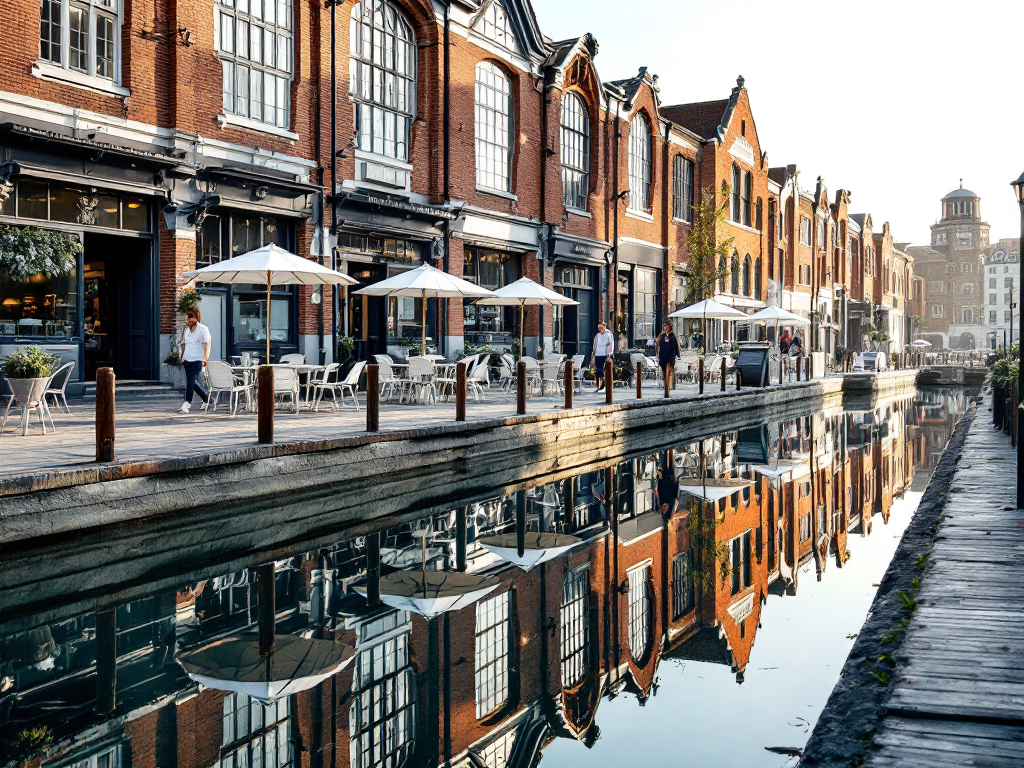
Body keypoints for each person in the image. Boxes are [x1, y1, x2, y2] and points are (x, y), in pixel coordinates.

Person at [178, 307, 211, 414]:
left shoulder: (203, 329)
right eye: (187, 316)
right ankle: (206, 398)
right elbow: (184, 344)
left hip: (197, 359)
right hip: (187, 359)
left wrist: (205, 358)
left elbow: (207, 344)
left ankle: (187, 404)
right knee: (192, 383)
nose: (189, 318)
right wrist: (181, 357)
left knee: (190, 382)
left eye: (191, 316)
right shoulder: (187, 330)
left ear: (196, 316)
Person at [655, 322, 681, 388]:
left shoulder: (673, 335)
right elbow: (657, 345)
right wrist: (657, 354)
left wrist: (678, 354)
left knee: (670, 370)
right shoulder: (661, 335)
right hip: (663, 355)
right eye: (664, 326)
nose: (664, 327)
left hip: (671, 355)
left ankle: (671, 385)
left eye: (666, 326)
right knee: (663, 370)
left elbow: (677, 345)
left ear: (669, 326)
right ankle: (665, 384)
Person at [593, 321, 615, 392]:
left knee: (602, 369)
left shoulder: (608, 334)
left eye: (601, 327)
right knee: (598, 369)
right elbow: (595, 345)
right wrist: (594, 353)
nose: (600, 329)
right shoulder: (597, 335)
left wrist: (609, 355)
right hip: (597, 354)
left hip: (604, 354)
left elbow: (611, 345)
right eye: (598, 328)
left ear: (604, 327)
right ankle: (599, 386)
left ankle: (603, 385)